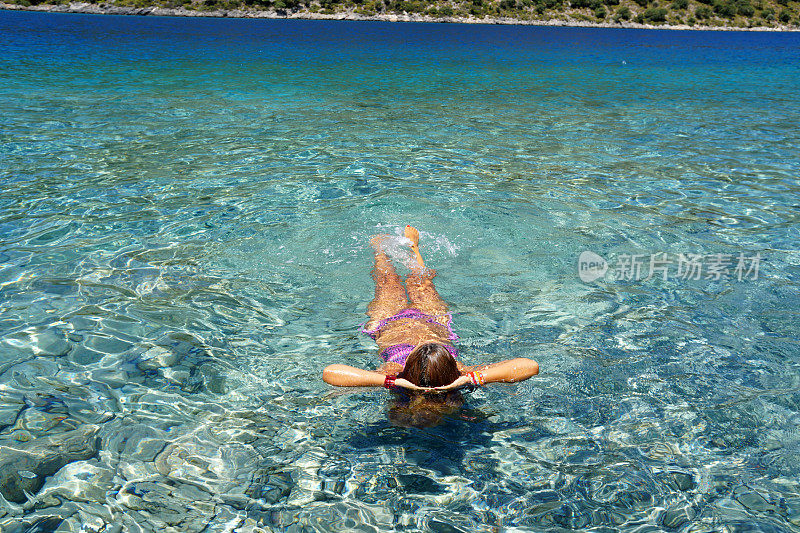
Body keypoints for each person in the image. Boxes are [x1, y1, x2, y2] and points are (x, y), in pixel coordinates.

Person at [323, 225, 539, 400]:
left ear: (409, 368)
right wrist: (471, 378)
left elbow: (330, 373)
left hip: (389, 323)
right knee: (421, 282)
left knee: (389, 282)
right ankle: (414, 249)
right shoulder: (462, 372)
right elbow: (529, 366)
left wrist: (393, 381)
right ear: (450, 368)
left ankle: (380, 250)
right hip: (433, 322)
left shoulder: (392, 373)